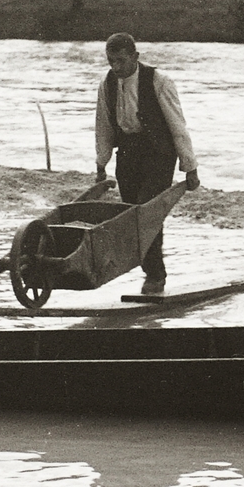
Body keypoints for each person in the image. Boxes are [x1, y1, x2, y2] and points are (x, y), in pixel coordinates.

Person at [94, 33, 200, 294]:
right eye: (111, 61)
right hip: (128, 152)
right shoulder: (106, 84)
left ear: (135, 57)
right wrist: (101, 164)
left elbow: (178, 126)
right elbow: (104, 126)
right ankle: (150, 270)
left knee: (146, 210)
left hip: (158, 153)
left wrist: (190, 167)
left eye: (120, 61)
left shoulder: (159, 82)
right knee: (130, 213)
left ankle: (155, 276)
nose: (116, 67)